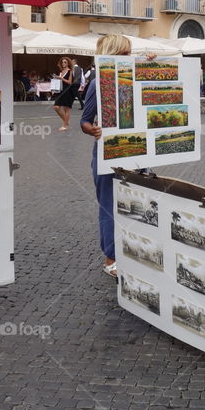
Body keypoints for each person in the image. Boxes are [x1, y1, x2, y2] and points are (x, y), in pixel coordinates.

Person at [80, 36, 132, 277]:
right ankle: (111, 257)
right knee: (110, 207)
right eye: (124, 54)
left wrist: (152, 63)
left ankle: (133, 253)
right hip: (107, 155)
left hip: (135, 154)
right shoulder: (96, 83)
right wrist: (93, 130)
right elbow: (84, 121)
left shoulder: (133, 78)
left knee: (134, 205)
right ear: (109, 55)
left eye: (130, 53)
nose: (129, 58)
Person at [53, 57, 77, 131]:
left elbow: (70, 82)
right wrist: (56, 78)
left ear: (68, 63)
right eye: (62, 62)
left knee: (66, 109)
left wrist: (61, 78)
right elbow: (61, 81)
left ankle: (65, 125)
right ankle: (66, 122)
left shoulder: (70, 71)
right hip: (60, 91)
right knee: (56, 107)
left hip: (68, 91)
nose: (63, 63)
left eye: (65, 62)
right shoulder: (61, 72)